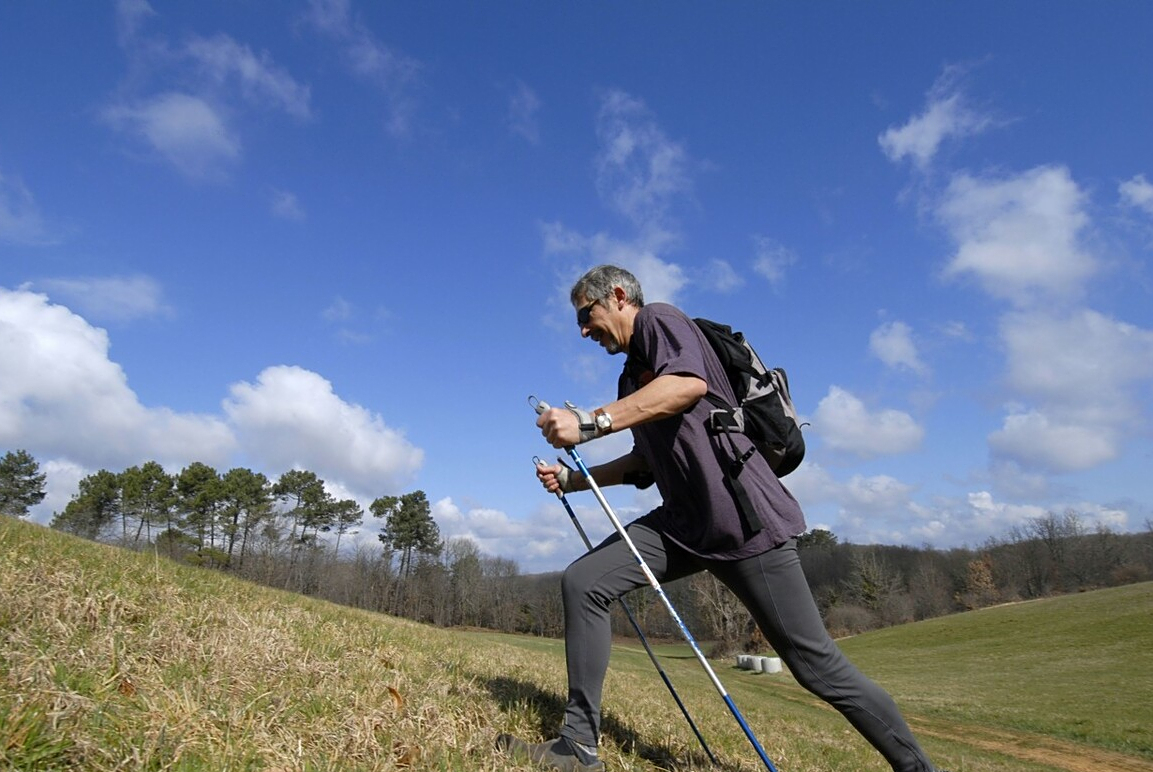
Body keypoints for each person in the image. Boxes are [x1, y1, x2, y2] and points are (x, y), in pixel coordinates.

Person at [496, 264, 947, 772]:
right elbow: (645, 461)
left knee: (816, 667)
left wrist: (590, 421)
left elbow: (686, 386)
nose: (583, 330)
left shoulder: (661, 322)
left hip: (743, 522)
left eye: (587, 315)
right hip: (684, 525)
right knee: (584, 582)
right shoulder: (631, 375)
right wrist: (577, 479)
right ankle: (577, 748)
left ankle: (917, 768)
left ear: (618, 296)